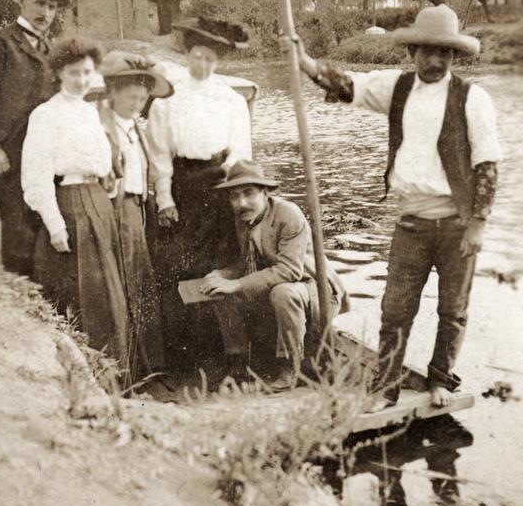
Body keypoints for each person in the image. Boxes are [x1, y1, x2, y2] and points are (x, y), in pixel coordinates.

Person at [291, 4, 501, 409]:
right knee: (395, 310)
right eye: (426, 51)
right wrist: (304, 62)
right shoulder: (397, 88)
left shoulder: (473, 99)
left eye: (443, 53)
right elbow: (348, 84)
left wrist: (478, 223)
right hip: (411, 223)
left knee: (453, 309)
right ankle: (384, 388)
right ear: (412, 53)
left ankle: (441, 380)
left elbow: (488, 165)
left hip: (458, 222)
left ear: (454, 57)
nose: (434, 60)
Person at [21, 38, 131, 381]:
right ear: (58, 73)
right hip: (70, 205)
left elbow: (100, 163)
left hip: (98, 201)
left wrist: (108, 180)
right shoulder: (45, 114)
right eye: (73, 73)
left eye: (86, 72)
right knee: (83, 295)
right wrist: (55, 225)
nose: (81, 80)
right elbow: (36, 177)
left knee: (109, 290)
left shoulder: (88, 111)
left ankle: (119, 378)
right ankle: (90, 377)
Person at [146, 44, 253, 367]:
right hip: (184, 186)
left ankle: (229, 353)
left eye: (210, 58)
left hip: (221, 185)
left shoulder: (231, 100)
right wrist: (165, 198)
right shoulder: (166, 101)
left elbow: (240, 149)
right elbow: (159, 154)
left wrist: (234, 192)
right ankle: (187, 355)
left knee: (222, 261)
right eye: (196, 56)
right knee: (180, 263)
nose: (202, 64)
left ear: (218, 61)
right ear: (186, 55)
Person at [199, 160, 349, 388]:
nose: (241, 203)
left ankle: (291, 367)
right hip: (281, 288)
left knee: (283, 293)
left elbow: (289, 270)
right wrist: (223, 275)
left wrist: (237, 284)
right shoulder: (245, 218)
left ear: (265, 192)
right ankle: (238, 364)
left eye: (248, 193)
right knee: (219, 290)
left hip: (315, 290)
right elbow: (249, 260)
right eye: (234, 196)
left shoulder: (288, 214)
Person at [0, 0, 69, 276]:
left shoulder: (52, 50)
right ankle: (22, 310)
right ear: (21, 1)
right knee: (18, 242)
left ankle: (45, 313)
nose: (46, 13)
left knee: (44, 235)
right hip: (10, 160)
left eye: (52, 7)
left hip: (45, 158)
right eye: (39, 3)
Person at [97, 51, 174, 384]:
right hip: (116, 211)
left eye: (143, 99)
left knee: (143, 285)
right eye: (131, 98)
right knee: (124, 286)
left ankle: (149, 366)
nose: (138, 104)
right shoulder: (100, 125)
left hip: (139, 210)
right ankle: (127, 369)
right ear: (112, 93)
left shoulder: (136, 128)